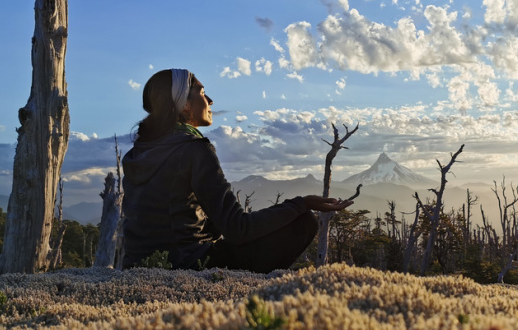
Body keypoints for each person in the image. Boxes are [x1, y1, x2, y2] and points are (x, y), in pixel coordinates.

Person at [121, 68, 352, 271]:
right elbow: (238, 228)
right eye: (202, 93)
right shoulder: (193, 150)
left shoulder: (136, 154)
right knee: (303, 222)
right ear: (184, 105)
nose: (210, 100)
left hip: (136, 266)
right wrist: (302, 204)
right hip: (190, 266)